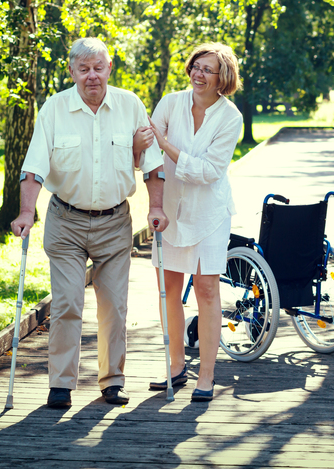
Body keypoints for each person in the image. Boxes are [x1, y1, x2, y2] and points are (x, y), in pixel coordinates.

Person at [10, 37, 168, 408]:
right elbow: (33, 167)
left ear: (109, 68)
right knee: (67, 302)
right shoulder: (55, 108)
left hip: (114, 222)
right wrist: (26, 212)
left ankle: (112, 381)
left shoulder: (129, 105)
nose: (92, 76)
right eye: (84, 69)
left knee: (114, 305)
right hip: (65, 220)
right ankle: (61, 384)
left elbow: (152, 165)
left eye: (98, 68)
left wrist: (156, 207)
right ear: (72, 72)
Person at [147, 42, 243, 402]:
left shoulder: (230, 117)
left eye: (207, 69)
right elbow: (148, 147)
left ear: (222, 78)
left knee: (206, 290)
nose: (198, 74)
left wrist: (165, 144)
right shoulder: (171, 103)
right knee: (168, 289)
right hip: (170, 210)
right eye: (195, 67)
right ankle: (175, 367)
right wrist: (147, 144)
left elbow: (209, 172)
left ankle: (207, 375)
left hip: (209, 214)